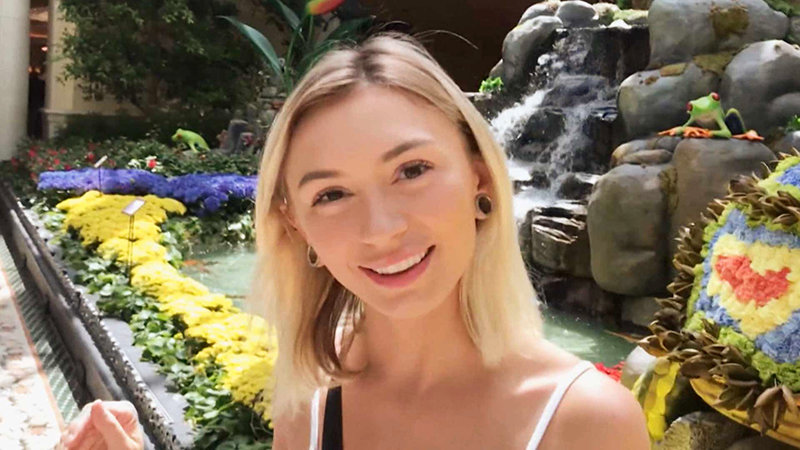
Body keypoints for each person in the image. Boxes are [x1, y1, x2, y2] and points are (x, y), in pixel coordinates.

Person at [60, 33, 649, 449]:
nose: (381, 228)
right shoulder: (313, 396)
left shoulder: (585, 423)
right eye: (331, 195)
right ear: (297, 226)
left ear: (480, 179)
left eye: (412, 170)